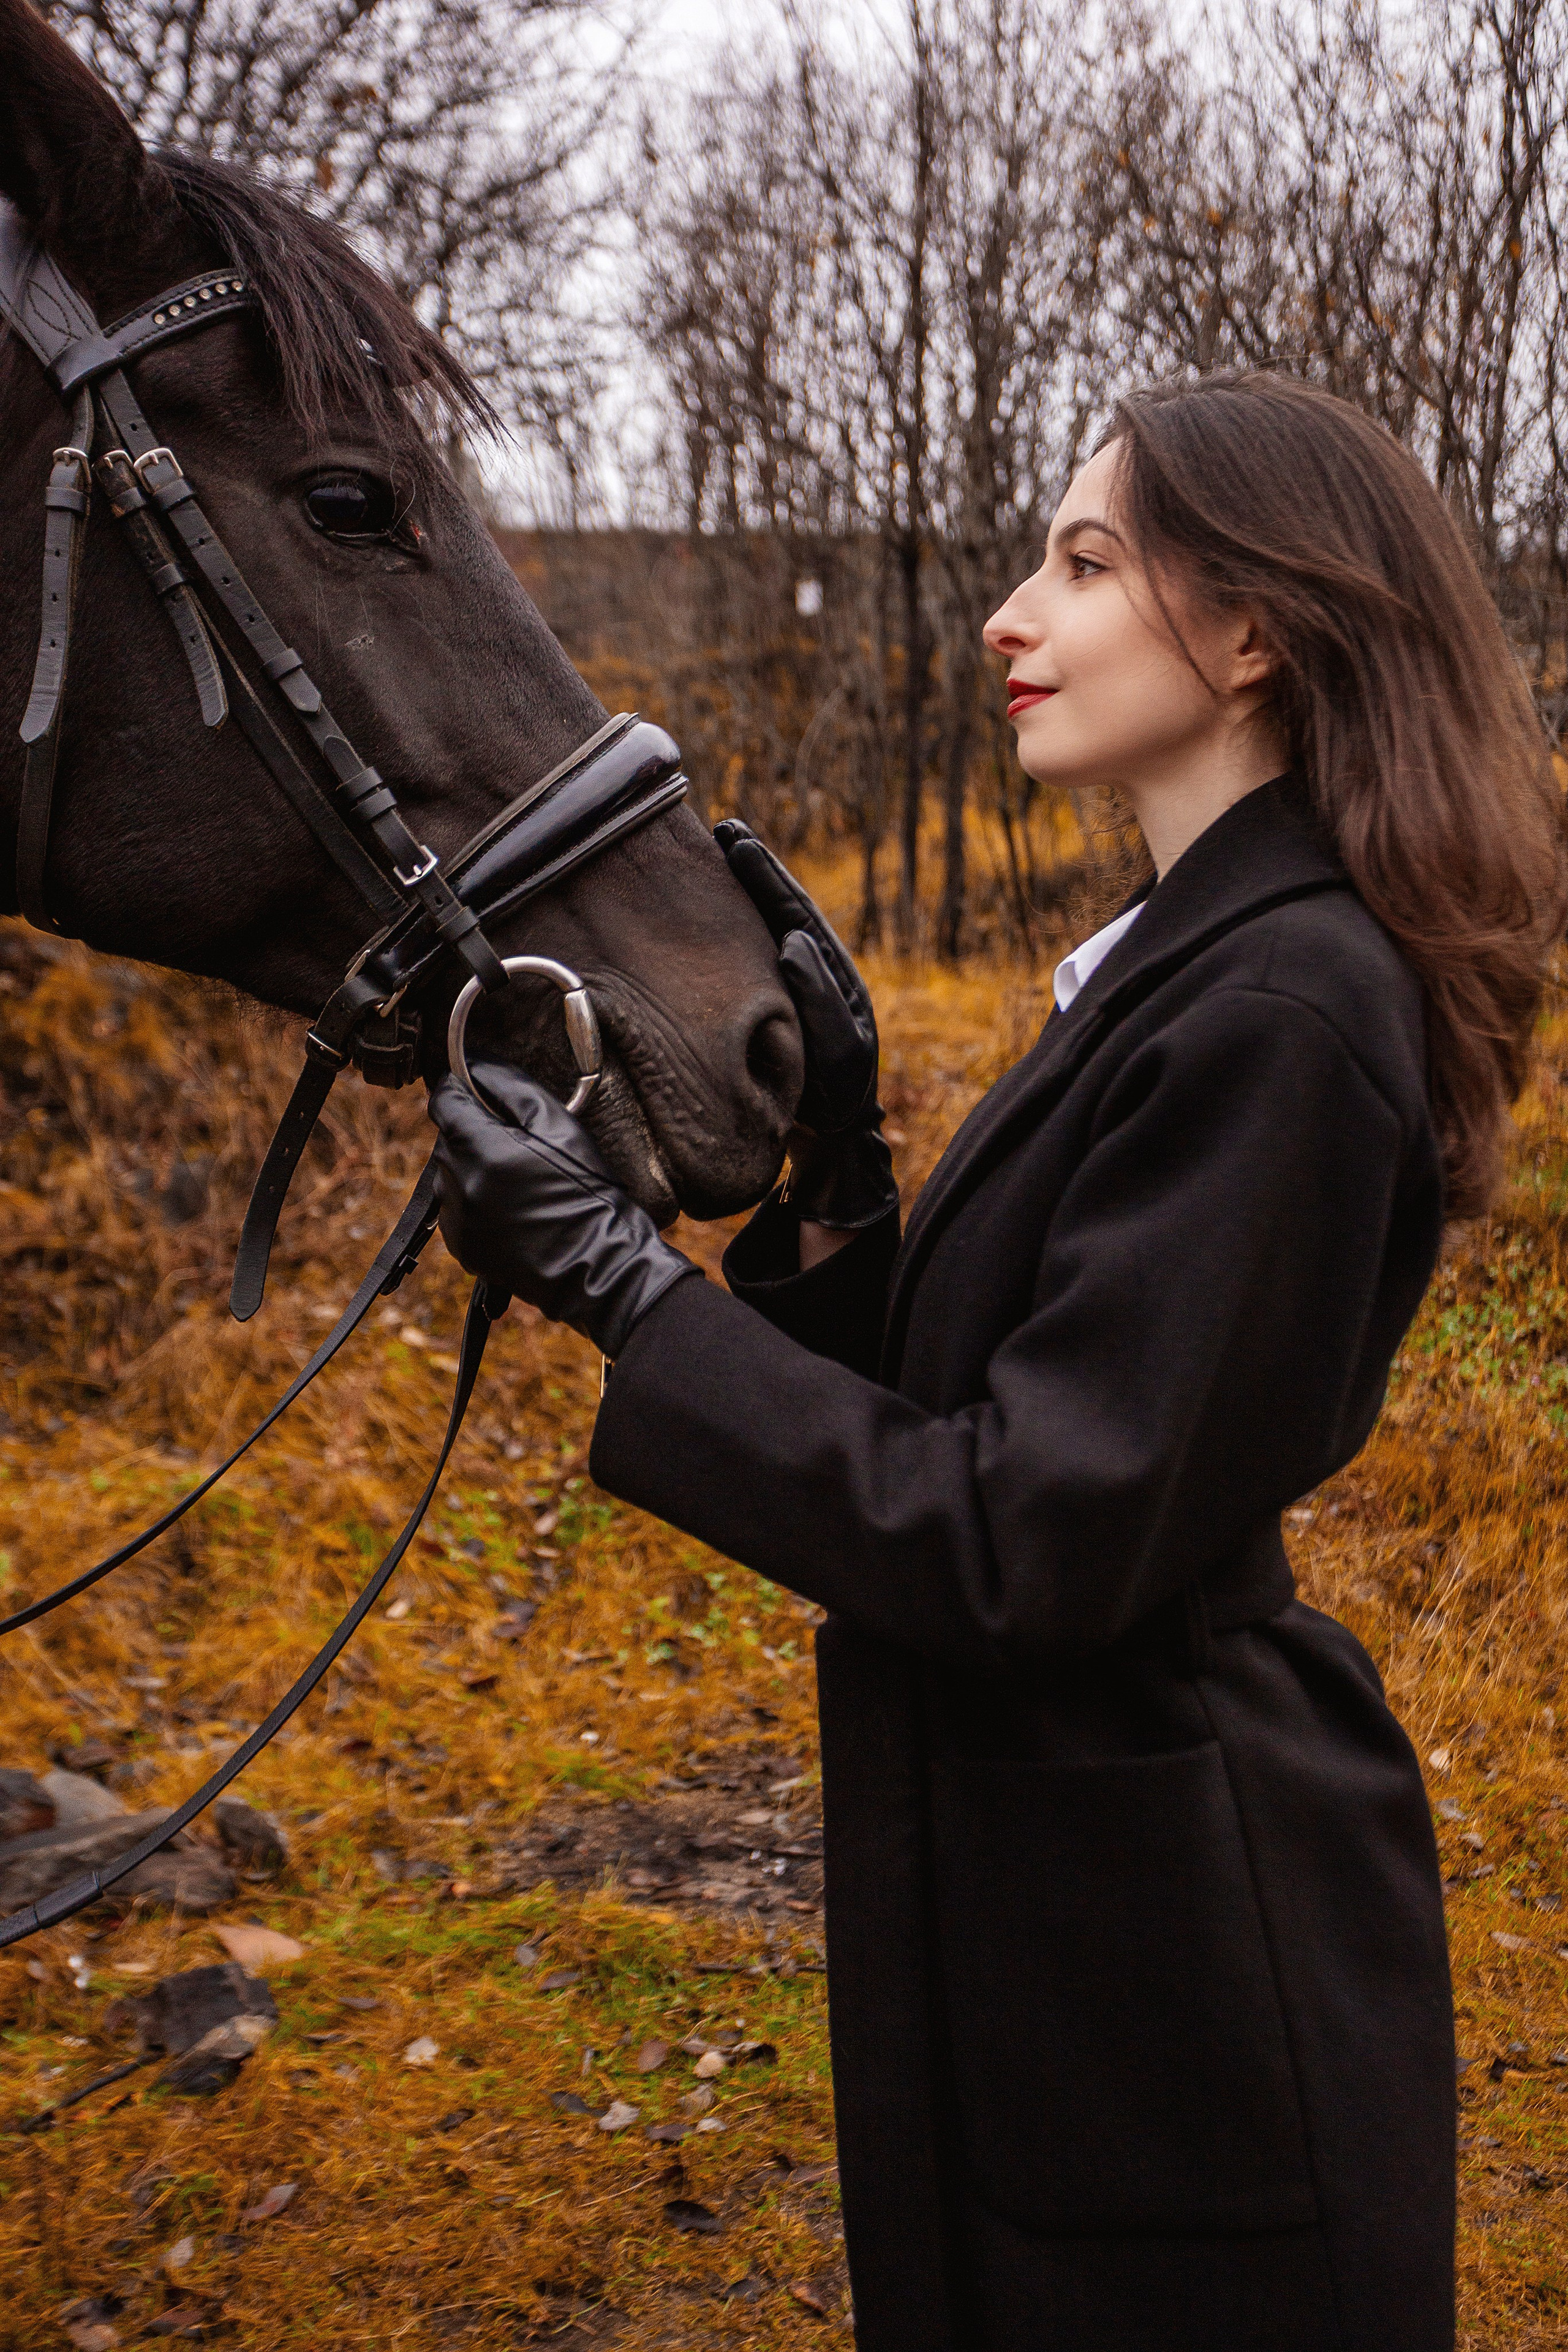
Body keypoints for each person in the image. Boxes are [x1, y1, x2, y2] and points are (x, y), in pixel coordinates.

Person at [429, 371, 1567, 2352]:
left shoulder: (1289, 998)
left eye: (1084, 562)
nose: (1005, 619)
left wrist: (627, 1289)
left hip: (1180, 1963)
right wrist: (844, 1162)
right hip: (1081, 1897)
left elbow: (1025, 1537)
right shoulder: (1186, 957)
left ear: (1255, 628)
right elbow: (1003, 1405)